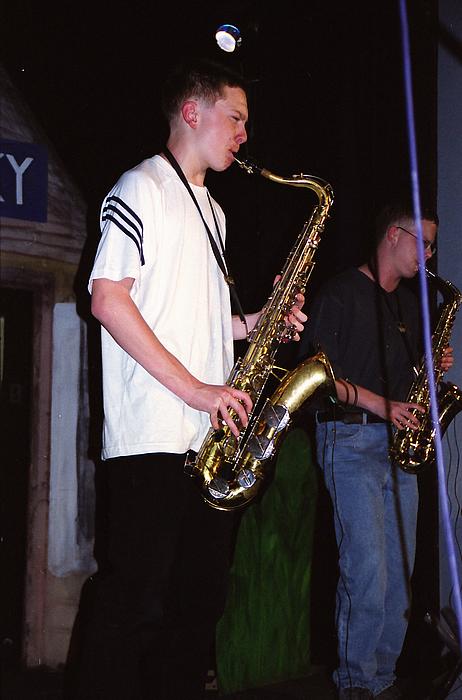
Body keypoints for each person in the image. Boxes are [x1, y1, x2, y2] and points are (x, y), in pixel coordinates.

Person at [70, 57, 307, 700]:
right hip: (152, 436)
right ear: (192, 112)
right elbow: (107, 298)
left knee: (195, 609)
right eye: (236, 118)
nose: (244, 134)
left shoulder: (214, 212)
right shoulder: (140, 185)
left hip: (207, 442)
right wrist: (199, 391)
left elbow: (194, 318)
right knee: (133, 607)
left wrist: (259, 322)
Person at [298, 202, 454, 700]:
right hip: (349, 441)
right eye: (422, 243)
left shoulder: (408, 307)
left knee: (400, 580)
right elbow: (318, 380)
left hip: (395, 446)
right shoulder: (340, 293)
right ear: (393, 234)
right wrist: (382, 405)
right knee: (365, 572)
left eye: (433, 247)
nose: (428, 255)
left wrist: (430, 367)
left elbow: (404, 386)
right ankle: (356, 683)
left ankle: (382, 679)